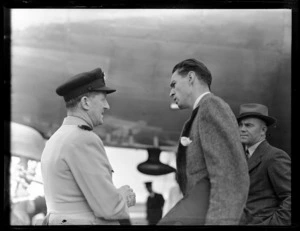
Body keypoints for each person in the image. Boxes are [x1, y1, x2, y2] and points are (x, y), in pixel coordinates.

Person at [158, 58, 249, 225]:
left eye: (173, 84)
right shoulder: (199, 115)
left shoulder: (211, 106)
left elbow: (230, 179)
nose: (171, 92)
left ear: (191, 78)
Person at [41, 68, 136, 225]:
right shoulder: (83, 139)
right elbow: (109, 208)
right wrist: (123, 197)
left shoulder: (56, 139)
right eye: (103, 99)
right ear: (85, 102)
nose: (107, 106)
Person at [237, 103, 291, 225]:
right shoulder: (239, 156)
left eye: (248, 125)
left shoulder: (274, 156)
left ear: (263, 130)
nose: (242, 129)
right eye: (240, 125)